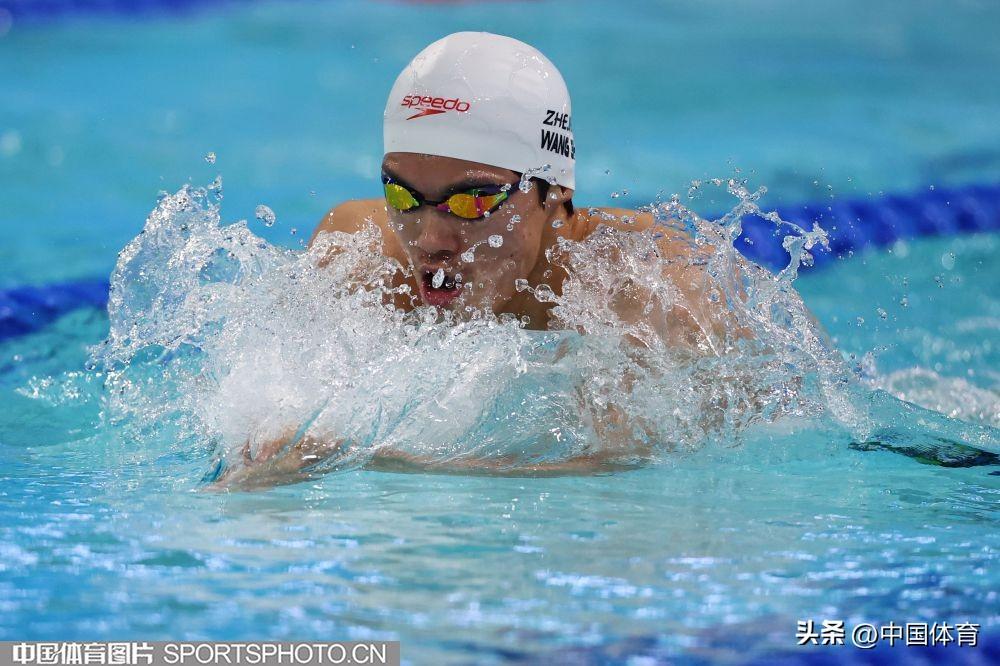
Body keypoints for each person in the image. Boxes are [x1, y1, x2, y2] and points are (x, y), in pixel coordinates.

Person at [215, 32, 748, 488]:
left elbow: (631, 475)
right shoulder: (362, 253)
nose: (430, 239)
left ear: (555, 189)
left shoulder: (646, 287)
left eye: (472, 201)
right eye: (401, 195)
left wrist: (367, 459)